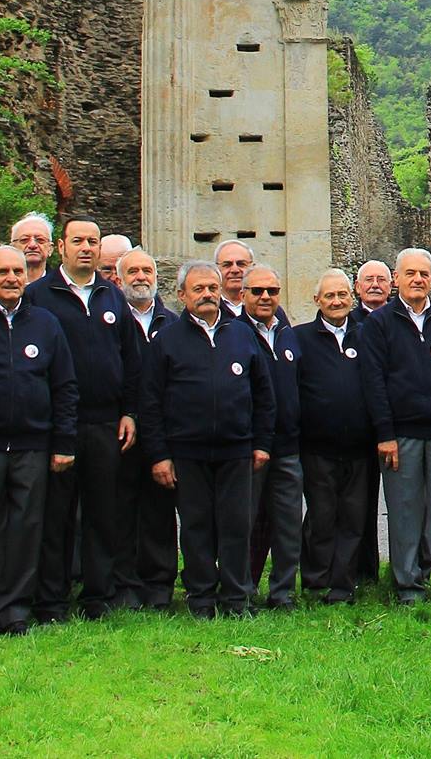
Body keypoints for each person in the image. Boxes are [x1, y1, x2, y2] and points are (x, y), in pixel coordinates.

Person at [0, 245, 78, 638]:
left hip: (32, 446)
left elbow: (65, 386)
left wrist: (63, 440)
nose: (11, 278)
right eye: (2, 272)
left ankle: (13, 611)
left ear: (27, 276)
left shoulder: (46, 323)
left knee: (25, 530)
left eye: (17, 272)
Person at [139, 261, 273, 617]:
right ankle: (200, 598)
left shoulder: (242, 335)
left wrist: (261, 443)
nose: (208, 295)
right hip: (187, 452)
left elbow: (264, 394)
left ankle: (235, 598)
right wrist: (159, 455)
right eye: (198, 289)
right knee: (196, 527)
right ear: (182, 295)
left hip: (236, 449)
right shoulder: (166, 340)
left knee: (236, 526)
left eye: (212, 288)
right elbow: (150, 402)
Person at [25, 215, 139, 620]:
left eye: (93, 240)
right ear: (62, 248)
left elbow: (130, 357)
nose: (87, 247)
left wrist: (129, 411)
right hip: (60, 422)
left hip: (106, 422)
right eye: (78, 241)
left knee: (102, 512)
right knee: (56, 513)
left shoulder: (112, 296)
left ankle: (98, 595)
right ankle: (51, 598)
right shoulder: (39, 295)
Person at [360, 247, 431, 605]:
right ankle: (409, 584)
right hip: (401, 435)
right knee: (404, 512)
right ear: (396, 279)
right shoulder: (379, 324)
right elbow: (374, 383)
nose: (417, 280)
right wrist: (385, 435)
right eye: (410, 273)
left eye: (423, 274)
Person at [295, 269, 374, 605]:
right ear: (317, 301)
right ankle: (315, 582)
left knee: (354, 519)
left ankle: (343, 584)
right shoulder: (299, 338)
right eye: (330, 296)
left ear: (351, 297)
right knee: (321, 517)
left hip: (359, 447)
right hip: (317, 447)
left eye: (342, 295)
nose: (337, 301)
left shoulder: (368, 335)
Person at [116, 246, 179, 610]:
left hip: (161, 430)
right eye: (133, 272)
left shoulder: (171, 323)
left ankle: (158, 585)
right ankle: (123, 584)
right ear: (119, 279)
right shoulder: (111, 319)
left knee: (159, 510)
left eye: (147, 271)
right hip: (121, 431)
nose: (141, 277)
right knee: (120, 508)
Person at [242, 265, 304, 610]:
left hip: (288, 446)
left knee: (287, 523)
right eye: (257, 291)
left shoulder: (287, 333)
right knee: (247, 523)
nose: (265, 297)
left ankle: (283, 591)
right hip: (251, 447)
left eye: (272, 291)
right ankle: (244, 589)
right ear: (243, 294)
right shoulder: (234, 332)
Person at [352, 257, 394, 584]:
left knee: (404, 504)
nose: (375, 285)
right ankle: (363, 572)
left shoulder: (400, 320)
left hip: (397, 426)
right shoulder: (346, 321)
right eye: (368, 280)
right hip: (357, 428)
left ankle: (408, 572)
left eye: (381, 279)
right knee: (359, 504)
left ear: (391, 284)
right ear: (357, 287)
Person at [10, 212, 53, 284]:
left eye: (40, 240)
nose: (32, 245)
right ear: (12, 247)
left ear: (50, 249)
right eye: (24, 240)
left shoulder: (64, 287)